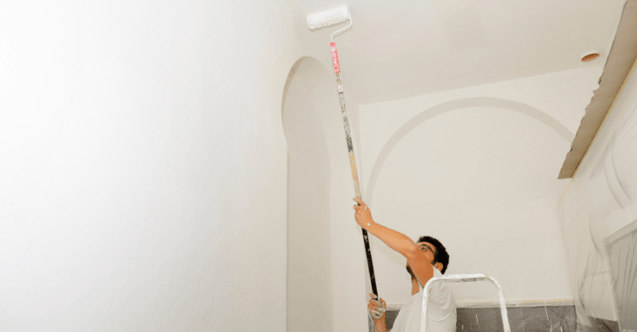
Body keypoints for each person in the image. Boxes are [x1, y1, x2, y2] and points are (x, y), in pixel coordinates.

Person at [353, 197, 456, 332]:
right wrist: (379, 320)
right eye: (418, 247)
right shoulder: (407, 309)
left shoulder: (440, 289)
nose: (417, 250)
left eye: (424, 249)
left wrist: (369, 224)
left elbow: (411, 251)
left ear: (437, 267)